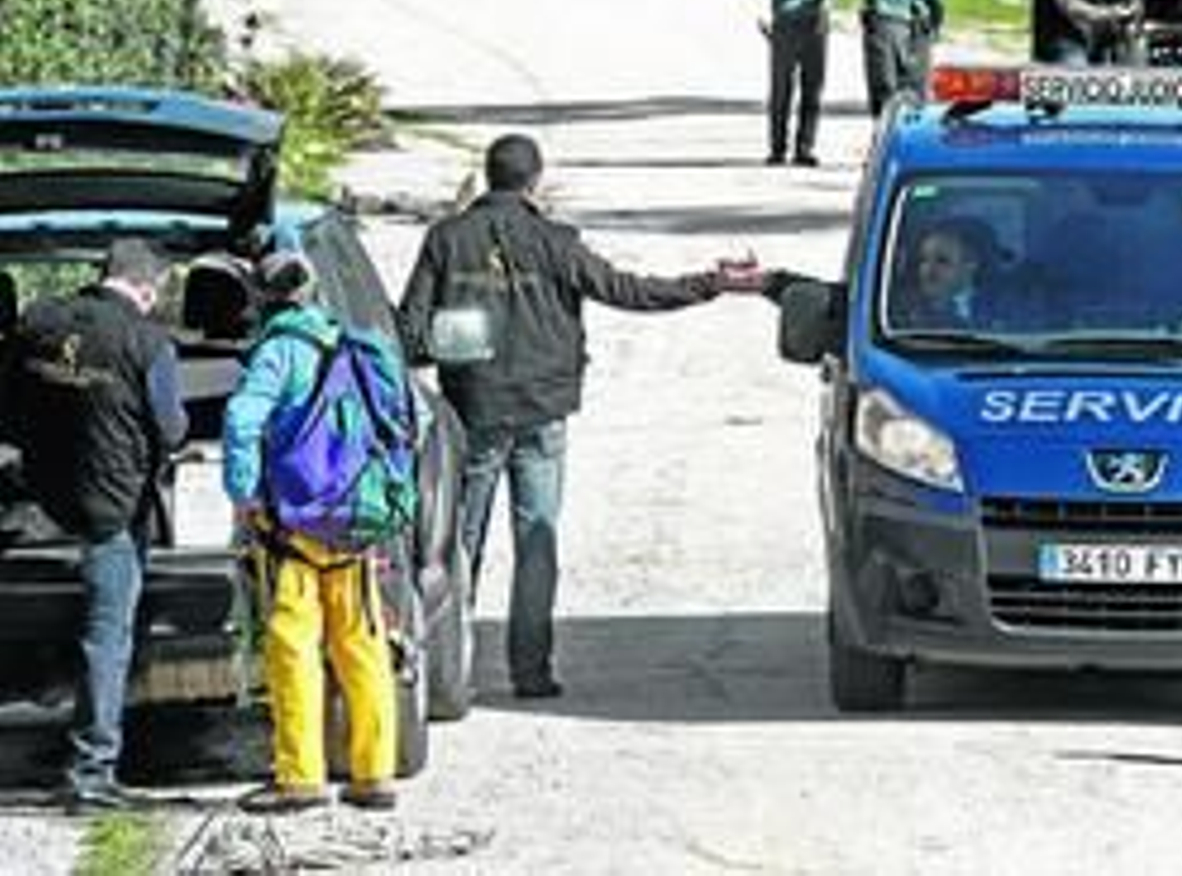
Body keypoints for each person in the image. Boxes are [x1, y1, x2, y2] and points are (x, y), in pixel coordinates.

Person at [397, 134, 766, 699]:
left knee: (458, 541)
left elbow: (409, 331)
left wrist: (444, 348)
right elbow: (627, 290)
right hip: (544, 410)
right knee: (536, 540)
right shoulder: (556, 242)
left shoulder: (447, 239)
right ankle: (532, 671)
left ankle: (449, 674)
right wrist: (707, 284)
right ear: (534, 181)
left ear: (487, 177)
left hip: (475, 408)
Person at [0, 239, 186, 811]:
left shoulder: (37, 323)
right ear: (149, 290)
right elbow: (173, 429)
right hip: (111, 512)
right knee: (106, 640)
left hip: (37, 505)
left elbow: (6, 403)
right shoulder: (148, 341)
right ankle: (90, 772)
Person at [224, 251, 401, 814]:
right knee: (363, 644)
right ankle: (374, 775)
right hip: (358, 519)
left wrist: (245, 493)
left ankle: (300, 776)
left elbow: (241, 420)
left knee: (293, 645)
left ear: (264, 299)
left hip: (297, 525)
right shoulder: (358, 345)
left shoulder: (278, 352)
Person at [762, 0, 837, 166]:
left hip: (816, 25)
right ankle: (777, 148)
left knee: (812, 90)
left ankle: (804, 149)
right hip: (786, 24)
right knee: (781, 89)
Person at [893, 218, 997, 329]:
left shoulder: (998, 306)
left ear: (971, 263)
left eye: (942, 261)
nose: (928, 270)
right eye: (923, 260)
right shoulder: (905, 311)